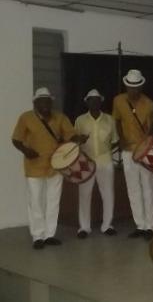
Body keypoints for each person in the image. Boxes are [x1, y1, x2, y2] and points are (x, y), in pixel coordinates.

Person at [12, 87, 84, 249]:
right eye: (42, 101)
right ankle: (38, 236)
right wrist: (26, 150)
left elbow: (70, 135)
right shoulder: (26, 118)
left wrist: (79, 138)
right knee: (36, 201)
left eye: (48, 101)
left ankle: (50, 234)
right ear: (35, 102)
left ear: (51, 102)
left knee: (53, 201)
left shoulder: (60, 118)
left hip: (56, 166)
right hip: (34, 167)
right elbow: (16, 139)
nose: (45, 103)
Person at [113, 69, 153, 240]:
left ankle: (150, 226)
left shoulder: (149, 104)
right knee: (133, 189)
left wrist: (150, 133)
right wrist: (121, 139)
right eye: (130, 87)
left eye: (136, 87)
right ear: (126, 86)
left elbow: (152, 129)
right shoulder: (118, 101)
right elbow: (117, 120)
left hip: (144, 151)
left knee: (147, 188)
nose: (133, 90)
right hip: (127, 151)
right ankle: (140, 225)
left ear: (141, 86)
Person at [74, 89, 119, 238]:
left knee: (108, 194)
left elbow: (114, 141)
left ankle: (107, 225)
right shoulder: (80, 120)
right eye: (91, 100)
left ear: (101, 101)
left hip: (105, 161)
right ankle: (84, 228)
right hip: (86, 162)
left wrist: (105, 151)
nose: (94, 102)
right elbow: (75, 142)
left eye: (97, 99)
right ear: (87, 102)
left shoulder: (109, 120)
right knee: (84, 194)